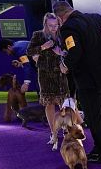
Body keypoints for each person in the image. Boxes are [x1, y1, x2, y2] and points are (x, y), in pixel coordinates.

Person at [53, 1, 101, 163]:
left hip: (89, 80)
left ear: (60, 18)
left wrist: (64, 65)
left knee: (93, 118)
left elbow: (75, 53)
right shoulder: (95, 18)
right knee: (100, 115)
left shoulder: (68, 27)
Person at [26, 13, 71, 145]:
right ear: (45, 24)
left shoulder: (63, 34)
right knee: (49, 104)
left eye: (56, 25)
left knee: (64, 104)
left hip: (61, 74)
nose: (54, 28)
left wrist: (61, 53)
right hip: (45, 74)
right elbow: (29, 51)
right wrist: (42, 47)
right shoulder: (38, 35)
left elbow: (71, 51)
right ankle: (54, 133)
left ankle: (67, 131)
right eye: (50, 25)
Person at [0, 37, 37, 121]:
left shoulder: (19, 50)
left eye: (6, 51)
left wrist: (26, 83)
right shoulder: (19, 43)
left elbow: (27, 66)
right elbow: (29, 60)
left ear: (9, 47)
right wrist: (20, 63)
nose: (8, 54)